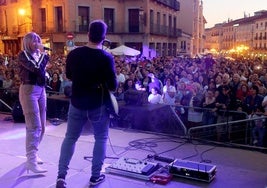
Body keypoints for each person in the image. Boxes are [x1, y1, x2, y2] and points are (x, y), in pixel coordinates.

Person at [56, 20, 117, 188]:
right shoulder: (106, 57)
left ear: (88, 34)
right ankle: (95, 177)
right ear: (104, 38)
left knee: (70, 138)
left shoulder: (74, 54)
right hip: (97, 104)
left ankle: (61, 176)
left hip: (76, 102)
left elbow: (69, 75)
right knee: (101, 138)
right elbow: (113, 85)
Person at [18, 32, 49, 173]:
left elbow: (42, 73)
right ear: (28, 42)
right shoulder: (23, 55)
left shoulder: (40, 56)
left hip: (41, 90)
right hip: (29, 90)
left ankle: (34, 154)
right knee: (34, 126)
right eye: (34, 40)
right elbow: (35, 68)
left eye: (39, 40)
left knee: (42, 127)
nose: (37, 43)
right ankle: (30, 161)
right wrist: (45, 56)